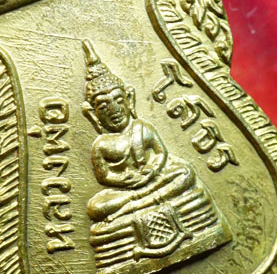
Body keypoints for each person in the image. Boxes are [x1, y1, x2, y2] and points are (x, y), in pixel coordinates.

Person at [81, 39, 194, 223]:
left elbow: (160, 153)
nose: (114, 110)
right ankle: (140, 200)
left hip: (154, 180)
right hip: (126, 192)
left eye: (119, 101)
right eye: (103, 106)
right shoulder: (101, 145)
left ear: (129, 100)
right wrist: (122, 180)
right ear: (93, 114)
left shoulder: (143, 128)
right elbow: (104, 176)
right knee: (96, 207)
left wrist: (153, 168)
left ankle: (134, 207)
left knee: (185, 172)